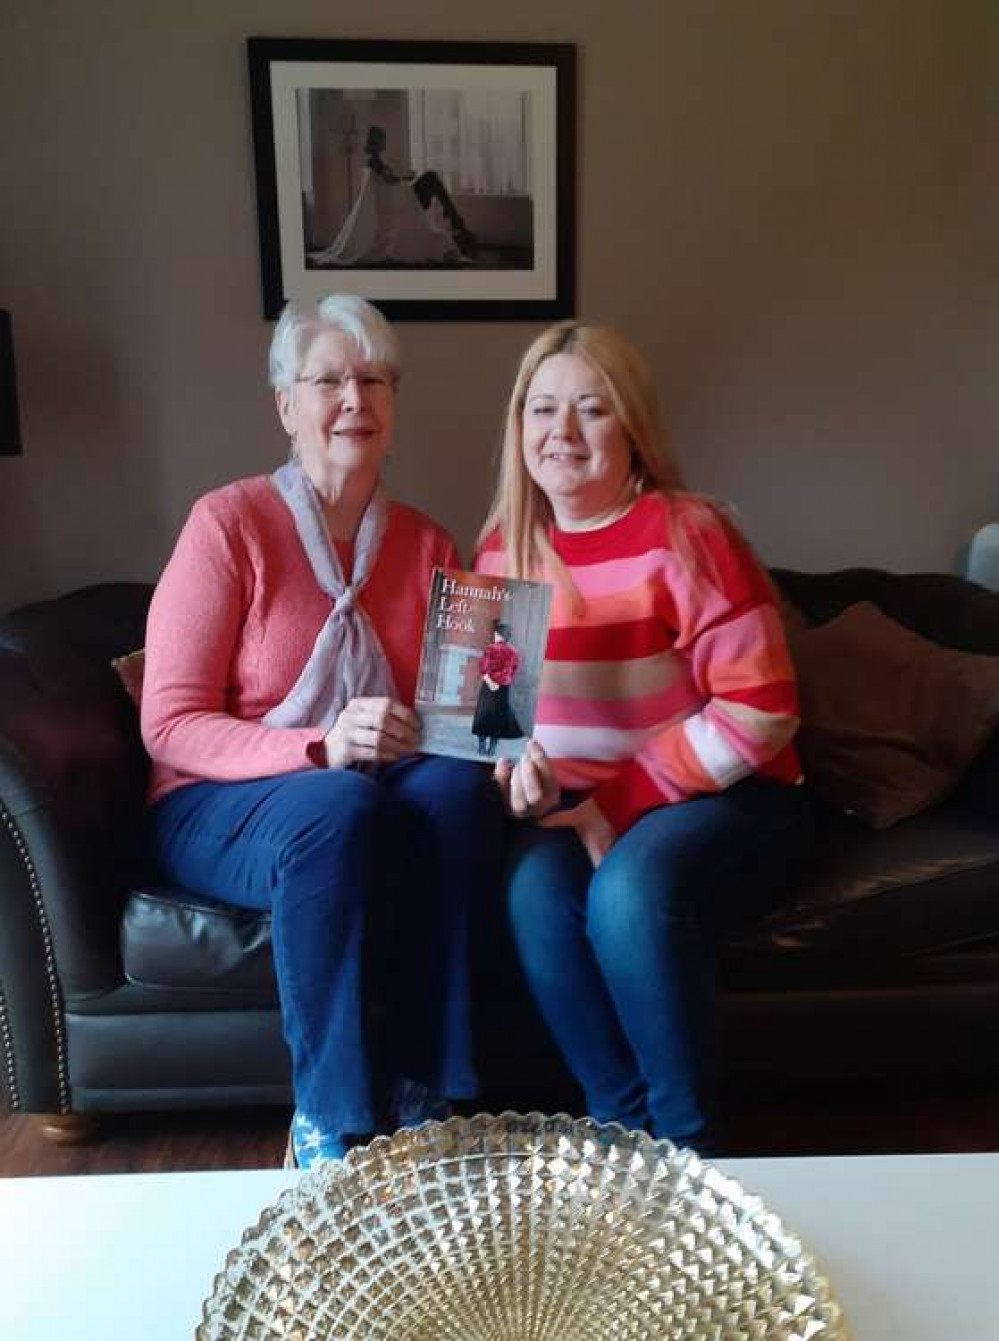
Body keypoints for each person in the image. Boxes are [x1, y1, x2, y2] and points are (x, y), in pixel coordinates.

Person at [141, 294, 504, 1168]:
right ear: (285, 405)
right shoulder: (226, 525)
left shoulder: (426, 542)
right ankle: (329, 1120)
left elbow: (471, 722)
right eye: (330, 380)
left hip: (374, 789)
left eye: (374, 379)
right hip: (217, 804)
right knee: (333, 802)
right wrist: (320, 746)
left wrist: (486, 733)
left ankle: (429, 1087)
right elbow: (169, 722)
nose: (355, 399)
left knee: (454, 789)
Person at [475, 320, 812, 1153]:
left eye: (590, 410)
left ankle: (691, 1149)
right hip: (585, 807)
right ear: (518, 428)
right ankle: (625, 1142)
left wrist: (614, 806)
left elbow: (760, 706)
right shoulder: (500, 551)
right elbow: (494, 727)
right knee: (532, 895)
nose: (561, 433)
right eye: (542, 409)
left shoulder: (687, 531)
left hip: (733, 796)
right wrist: (516, 776)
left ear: (631, 428)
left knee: (625, 893)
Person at [310, 125, 476, 267]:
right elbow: (389, 181)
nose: (385, 143)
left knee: (432, 179)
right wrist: (407, 178)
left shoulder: (377, 161)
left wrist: (405, 179)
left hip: (400, 198)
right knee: (431, 177)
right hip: (399, 205)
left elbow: (389, 182)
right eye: (383, 139)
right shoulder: (374, 161)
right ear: (378, 142)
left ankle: (454, 218)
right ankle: (455, 220)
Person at [472, 620, 523, 757]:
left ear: (499, 635)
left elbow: (483, 667)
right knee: (497, 718)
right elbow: (513, 671)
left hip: (489, 688)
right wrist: (502, 682)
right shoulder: (514, 653)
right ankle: (492, 750)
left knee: (484, 716)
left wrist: (490, 683)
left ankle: (482, 748)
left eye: (496, 633)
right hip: (503, 689)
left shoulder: (491, 648)